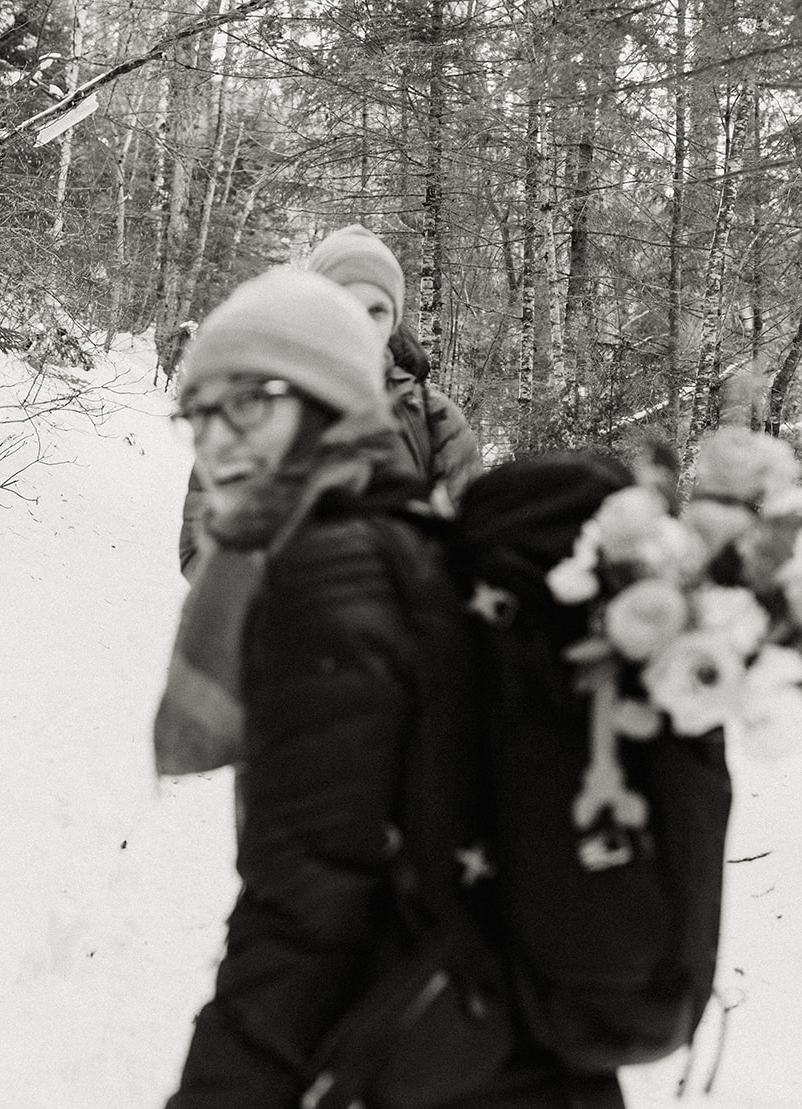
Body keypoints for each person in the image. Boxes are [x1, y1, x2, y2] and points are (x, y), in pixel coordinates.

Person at [154, 269, 622, 1109]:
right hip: (494, 1048)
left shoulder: (323, 577)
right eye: (199, 410)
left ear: (331, 401)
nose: (218, 437)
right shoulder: (407, 539)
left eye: (250, 401)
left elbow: (305, 904)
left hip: (430, 1054)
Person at [176, 224, 483, 578]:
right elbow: (197, 551)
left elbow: (472, 545)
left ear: (395, 319)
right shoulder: (268, 408)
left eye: (377, 310)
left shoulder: (433, 417)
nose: (362, 323)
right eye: (343, 303)